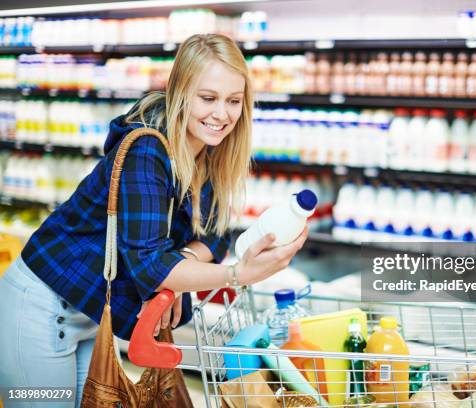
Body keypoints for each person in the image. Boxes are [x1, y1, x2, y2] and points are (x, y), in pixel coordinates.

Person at [0, 33, 307, 407]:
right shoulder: (147, 150)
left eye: (233, 101)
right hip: (42, 306)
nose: (222, 114)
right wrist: (237, 275)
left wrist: (186, 267)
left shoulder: (208, 153)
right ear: (180, 93)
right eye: (208, 98)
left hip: (91, 318)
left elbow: (216, 234)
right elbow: (152, 266)